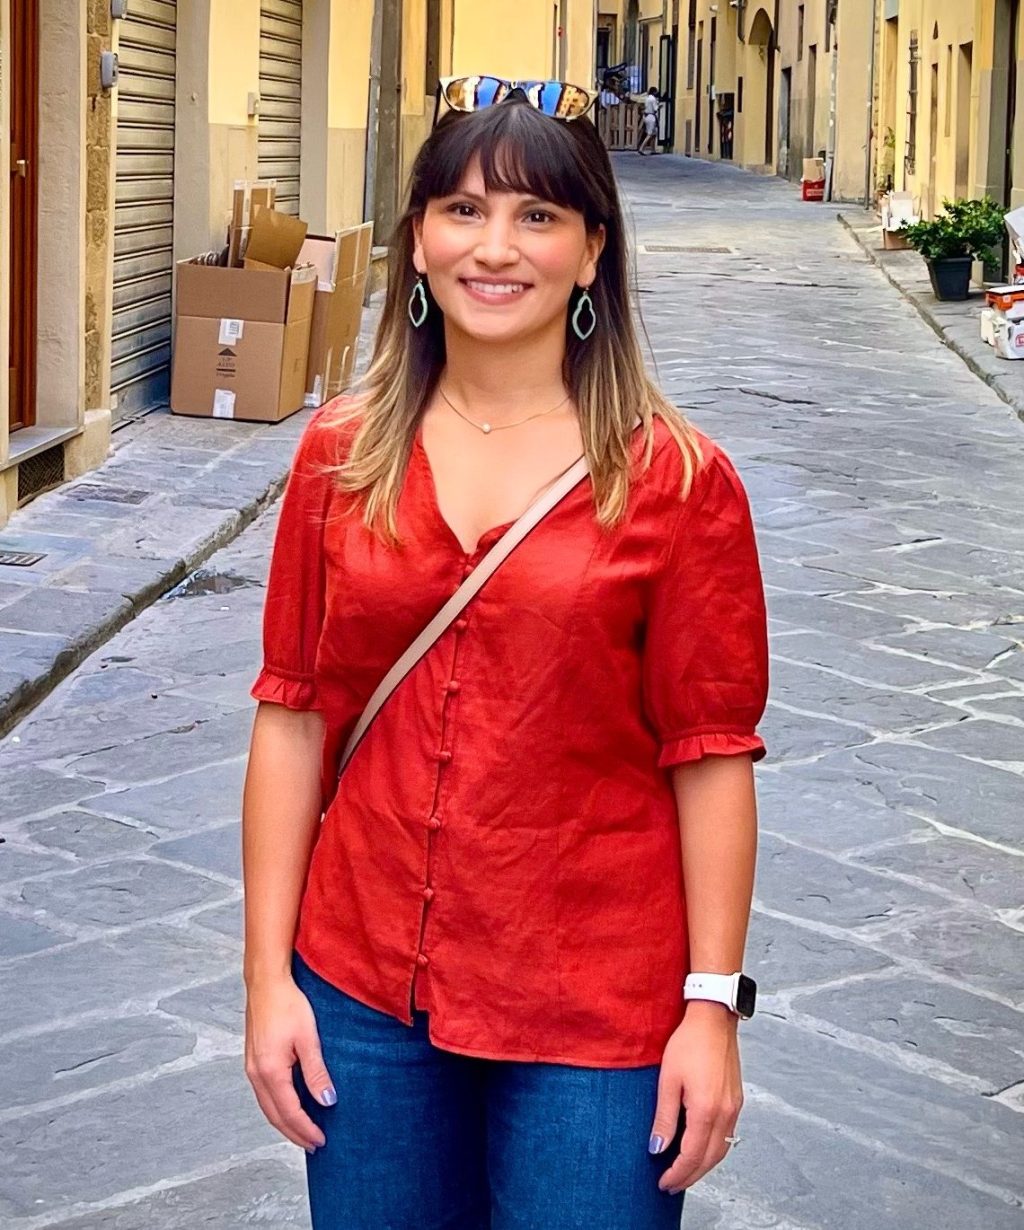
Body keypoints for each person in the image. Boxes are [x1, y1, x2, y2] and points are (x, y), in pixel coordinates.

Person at [242, 73, 768, 1230]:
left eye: (537, 215)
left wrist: (710, 1008)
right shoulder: (341, 455)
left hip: (598, 1013)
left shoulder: (676, 480)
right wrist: (267, 979)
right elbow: (293, 714)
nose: (495, 247)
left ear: (591, 253)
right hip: (364, 989)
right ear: (418, 240)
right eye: (464, 210)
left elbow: (711, 754)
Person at [638, 85, 661, 154]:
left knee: (654, 134)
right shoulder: (653, 99)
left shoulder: (647, 98)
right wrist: (659, 106)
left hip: (646, 116)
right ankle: (641, 148)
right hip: (651, 116)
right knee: (650, 134)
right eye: (656, 92)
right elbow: (655, 109)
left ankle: (653, 150)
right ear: (654, 92)